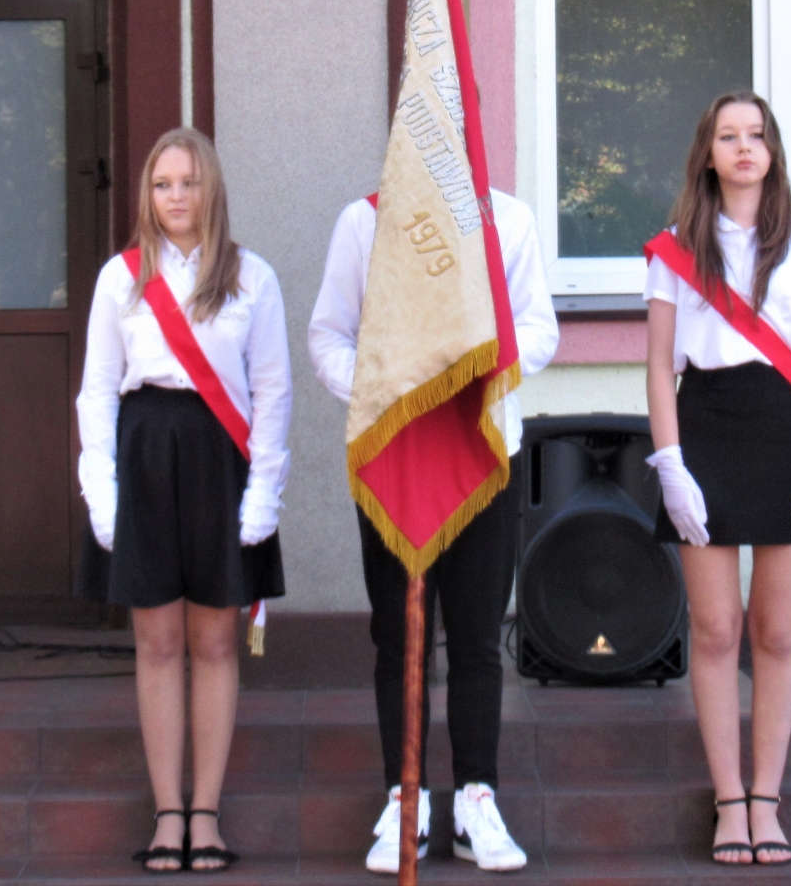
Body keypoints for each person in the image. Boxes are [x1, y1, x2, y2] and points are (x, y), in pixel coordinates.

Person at [309, 189, 558, 874]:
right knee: (400, 636)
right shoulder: (364, 219)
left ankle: (477, 799)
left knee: (476, 636)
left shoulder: (508, 220)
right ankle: (406, 798)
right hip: (398, 453)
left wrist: (483, 370)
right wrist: (385, 384)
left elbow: (540, 329)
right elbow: (328, 336)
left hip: (482, 447)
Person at [76, 128, 291, 873]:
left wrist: (264, 493)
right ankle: (167, 812)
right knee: (159, 643)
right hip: (143, 460)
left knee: (217, 642)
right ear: (148, 193)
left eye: (189, 183)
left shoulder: (252, 278)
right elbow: (97, 392)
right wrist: (101, 489)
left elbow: (272, 392)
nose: (176, 197)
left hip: (220, 464)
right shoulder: (121, 279)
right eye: (163, 184)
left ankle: (207, 815)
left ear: (212, 190)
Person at [644, 92, 791, 866]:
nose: (744, 147)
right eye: (728, 136)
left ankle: (768, 800)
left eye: (756, 135)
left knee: (775, 630)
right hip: (706, 432)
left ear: (773, 150)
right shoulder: (675, 248)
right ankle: (729, 802)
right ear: (708, 153)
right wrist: (670, 465)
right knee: (717, 629)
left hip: (788, 434)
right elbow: (659, 367)